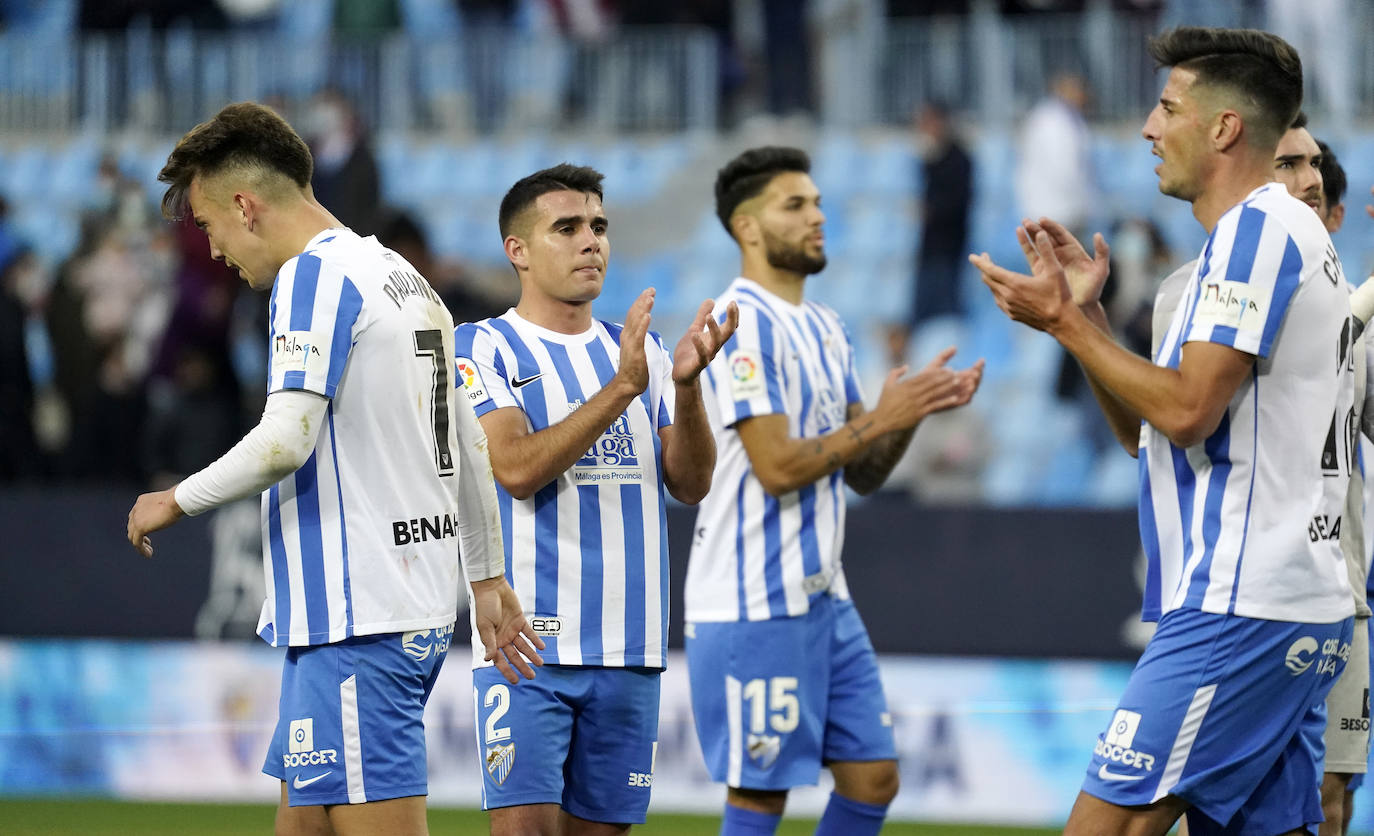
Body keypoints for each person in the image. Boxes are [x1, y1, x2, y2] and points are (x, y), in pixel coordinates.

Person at [971, 27, 1356, 835]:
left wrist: (1067, 330)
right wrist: (1087, 318)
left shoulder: (1261, 230)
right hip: (1290, 602)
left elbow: (1187, 409)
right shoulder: (1254, 250)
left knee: (1110, 827)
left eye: (1168, 106)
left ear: (1223, 129)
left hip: (1242, 604)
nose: (1149, 126)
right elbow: (1154, 434)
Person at [124, 102, 543, 836]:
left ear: (246, 206)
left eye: (209, 224)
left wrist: (176, 498)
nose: (215, 250)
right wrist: (484, 575)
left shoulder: (313, 279)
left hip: (359, 622)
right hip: (378, 615)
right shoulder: (403, 279)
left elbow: (287, 439)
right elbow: (469, 444)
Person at [685, 146, 984, 836]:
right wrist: (885, 415)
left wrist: (909, 416)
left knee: (873, 779)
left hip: (823, 596)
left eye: (817, 202)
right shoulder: (741, 320)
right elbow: (778, 466)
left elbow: (863, 471)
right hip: (753, 598)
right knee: (761, 795)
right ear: (748, 228)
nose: (818, 216)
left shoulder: (825, 325)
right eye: (796, 205)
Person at [452, 163, 738, 836]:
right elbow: (516, 468)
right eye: (568, 227)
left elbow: (693, 482)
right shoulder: (480, 348)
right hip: (528, 645)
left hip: (629, 648)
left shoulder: (644, 351)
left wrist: (688, 390)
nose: (591, 242)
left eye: (599, 226)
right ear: (516, 250)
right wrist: (621, 391)